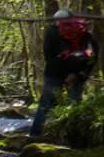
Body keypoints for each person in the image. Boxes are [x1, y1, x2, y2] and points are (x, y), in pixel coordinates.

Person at [31, 8, 97, 136]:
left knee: (46, 103)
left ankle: (35, 135)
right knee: (75, 104)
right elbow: (92, 56)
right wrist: (77, 74)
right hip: (78, 73)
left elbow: (49, 56)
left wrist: (64, 75)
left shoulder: (51, 32)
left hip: (54, 74)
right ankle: (75, 137)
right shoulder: (84, 32)